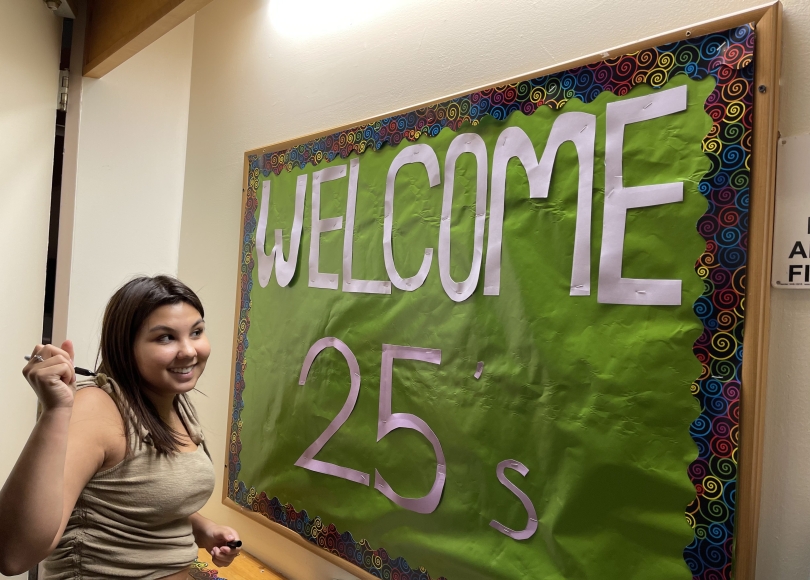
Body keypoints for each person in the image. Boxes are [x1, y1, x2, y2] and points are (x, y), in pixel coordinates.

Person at [0, 275, 240, 579]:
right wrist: (55, 411)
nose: (189, 351)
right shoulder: (97, 409)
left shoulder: (173, 401)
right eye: (165, 337)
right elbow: (13, 554)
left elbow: (141, 497)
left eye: (196, 332)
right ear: (125, 347)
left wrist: (205, 528)